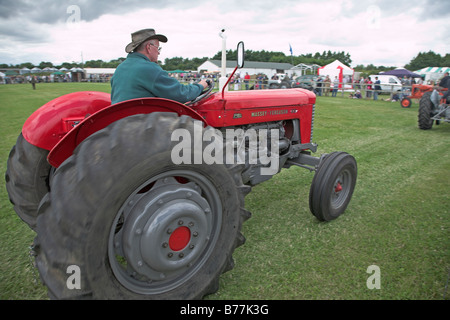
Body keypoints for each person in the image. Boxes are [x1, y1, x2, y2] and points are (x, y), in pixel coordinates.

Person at [111, 29, 208, 105]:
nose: (159, 52)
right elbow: (181, 94)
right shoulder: (149, 68)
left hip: (120, 121)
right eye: (158, 48)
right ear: (149, 47)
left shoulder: (120, 68)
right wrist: (200, 86)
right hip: (142, 121)